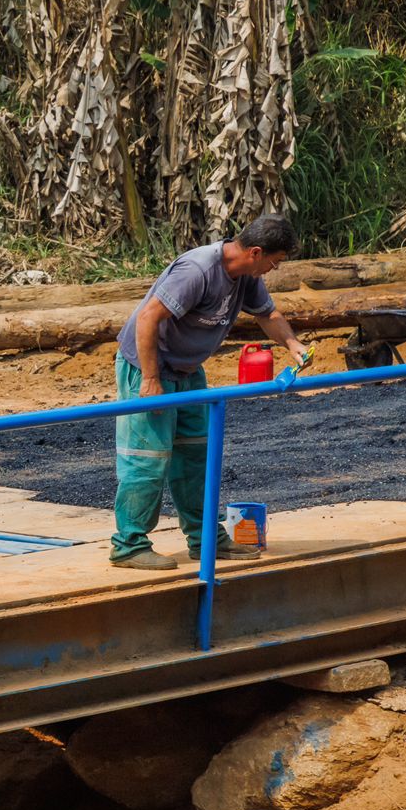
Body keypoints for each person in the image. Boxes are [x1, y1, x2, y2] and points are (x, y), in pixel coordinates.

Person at [110, 215, 309, 571]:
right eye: (273, 263)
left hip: (187, 369)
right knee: (148, 458)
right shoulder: (198, 270)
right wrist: (151, 379)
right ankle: (128, 545)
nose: (272, 270)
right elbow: (147, 318)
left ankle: (205, 537)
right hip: (148, 365)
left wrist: (292, 344)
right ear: (256, 252)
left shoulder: (246, 276)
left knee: (196, 456)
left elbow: (268, 313)